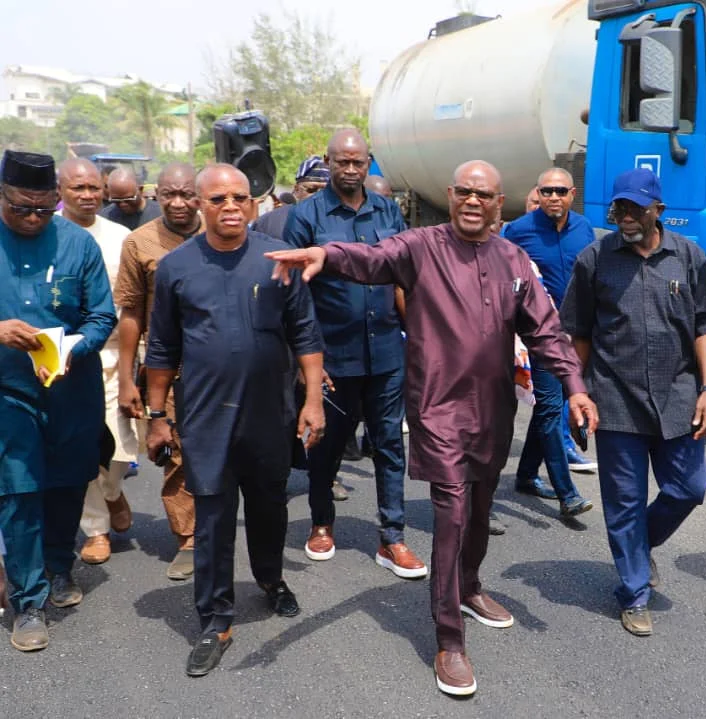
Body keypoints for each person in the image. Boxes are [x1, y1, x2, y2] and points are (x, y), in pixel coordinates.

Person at [266, 160, 598, 697]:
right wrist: (325, 255)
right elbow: (370, 258)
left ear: (500, 202)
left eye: (483, 194)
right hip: (438, 410)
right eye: (463, 191)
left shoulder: (514, 259)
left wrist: (576, 387)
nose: (472, 200)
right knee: (452, 513)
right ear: (450, 195)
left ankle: (468, 585)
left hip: (492, 414)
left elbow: (547, 333)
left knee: (481, 508)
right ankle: (450, 639)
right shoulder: (419, 246)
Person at [144, 164, 325, 677]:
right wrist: (158, 417)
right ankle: (215, 619)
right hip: (204, 418)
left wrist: (312, 402)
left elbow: (307, 335)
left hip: (270, 414)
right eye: (219, 198)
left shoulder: (278, 261)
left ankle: (270, 580)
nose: (230, 206)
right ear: (199, 204)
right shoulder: (177, 267)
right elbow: (161, 348)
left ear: (252, 204)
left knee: (269, 507)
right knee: (215, 519)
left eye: (240, 198)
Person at [561, 168, 706, 635]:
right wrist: (575, 394)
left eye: (637, 208)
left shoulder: (688, 257)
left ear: (659, 211)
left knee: (689, 488)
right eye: (620, 208)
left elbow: (704, 328)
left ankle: (640, 546)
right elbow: (578, 335)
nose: (627, 216)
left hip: (678, 397)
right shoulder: (595, 260)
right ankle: (634, 592)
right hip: (615, 398)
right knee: (624, 502)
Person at [283, 129, 420, 572]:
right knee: (326, 447)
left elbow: (403, 277)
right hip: (333, 357)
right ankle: (321, 523)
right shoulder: (306, 216)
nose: (349, 169)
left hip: (385, 354)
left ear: (368, 163)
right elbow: (294, 295)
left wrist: (414, 337)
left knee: (389, 446)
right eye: (341, 161)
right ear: (328, 162)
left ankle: (392, 537)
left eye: (357, 161)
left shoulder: (387, 211)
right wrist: (307, 364)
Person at [0, 150, 116, 652]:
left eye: (42, 209)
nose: (31, 218)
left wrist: (70, 348)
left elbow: (101, 316)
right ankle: (28, 601)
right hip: (9, 391)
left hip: (70, 388)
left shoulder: (78, 243)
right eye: (20, 208)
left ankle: (58, 567)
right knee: (19, 490)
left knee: (69, 481)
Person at [113, 162, 202, 579]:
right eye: (170, 194)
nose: (179, 202)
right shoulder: (140, 243)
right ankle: (187, 537)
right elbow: (131, 311)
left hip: (223, 366)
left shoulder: (218, 233)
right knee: (176, 452)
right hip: (167, 369)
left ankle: (218, 528)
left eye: (187, 193)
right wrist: (128, 377)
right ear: (155, 194)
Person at [54, 159, 140, 565]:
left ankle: (112, 491)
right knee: (83, 445)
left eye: (94, 188)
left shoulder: (122, 237)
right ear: (60, 191)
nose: (88, 196)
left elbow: (133, 305)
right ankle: (96, 529)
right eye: (78, 188)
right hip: (66, 358)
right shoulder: (48, 236)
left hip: (115, 354)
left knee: (122, 446)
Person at [503, 168, 595, 512]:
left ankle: (527, 475)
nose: (553, 197)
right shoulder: (518, 232)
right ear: (537, 195)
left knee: (550, 409)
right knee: (552, 409)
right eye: (546, 191)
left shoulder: (584, 229)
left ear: (572, 194)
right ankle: (567, 493)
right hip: (538, 335)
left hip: (578, 336)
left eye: (560, 191)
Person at [252, 156, 330, 241]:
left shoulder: (343, 222)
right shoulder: (268, 223)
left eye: (325, 191)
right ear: (296, 189)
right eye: (311, 190)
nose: (318, 196)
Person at [100, 166, 162, 231]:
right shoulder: (105, 218)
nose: (122, 204)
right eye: (116, 200)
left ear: (140, 190)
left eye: (128, 199)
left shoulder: (160, 215)